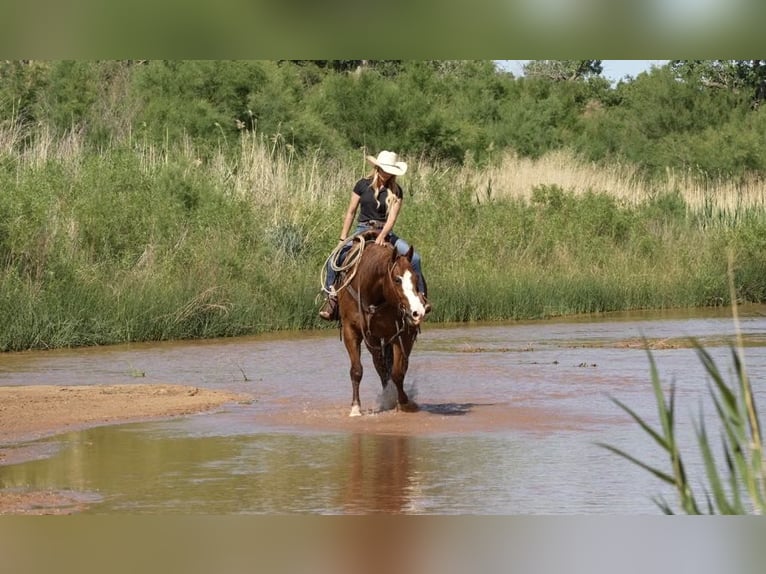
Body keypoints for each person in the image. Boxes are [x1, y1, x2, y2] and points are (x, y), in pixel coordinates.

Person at [319, 150, 428, 321]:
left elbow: (392, 218)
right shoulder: (362, 185)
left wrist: (383, 236)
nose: (387, 173)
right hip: (362, 229)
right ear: (377, 168)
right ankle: (332, 298)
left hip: (385, 231)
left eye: (390, 171)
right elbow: (351, 212)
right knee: (334, 259)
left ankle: (420, 296)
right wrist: (342, 237)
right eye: (385, 169)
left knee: (415, 259)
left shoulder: (396, 191)